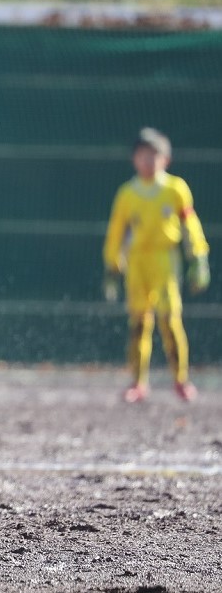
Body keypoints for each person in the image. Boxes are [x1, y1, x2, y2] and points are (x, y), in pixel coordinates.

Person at [103, 127, 210, 403]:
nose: (148, 161)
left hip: (165, 259)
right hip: (138, 262)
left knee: (169, 319)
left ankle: (181, 380)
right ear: (134, 160)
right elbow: (117, 232)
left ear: (166, 159)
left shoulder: (175, 189)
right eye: (142, 156)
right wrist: (113, 266)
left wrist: (198, 257)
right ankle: (138, 383)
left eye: (154, 156)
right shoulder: (127, 194)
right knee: (139, 321)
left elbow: (190, 224)